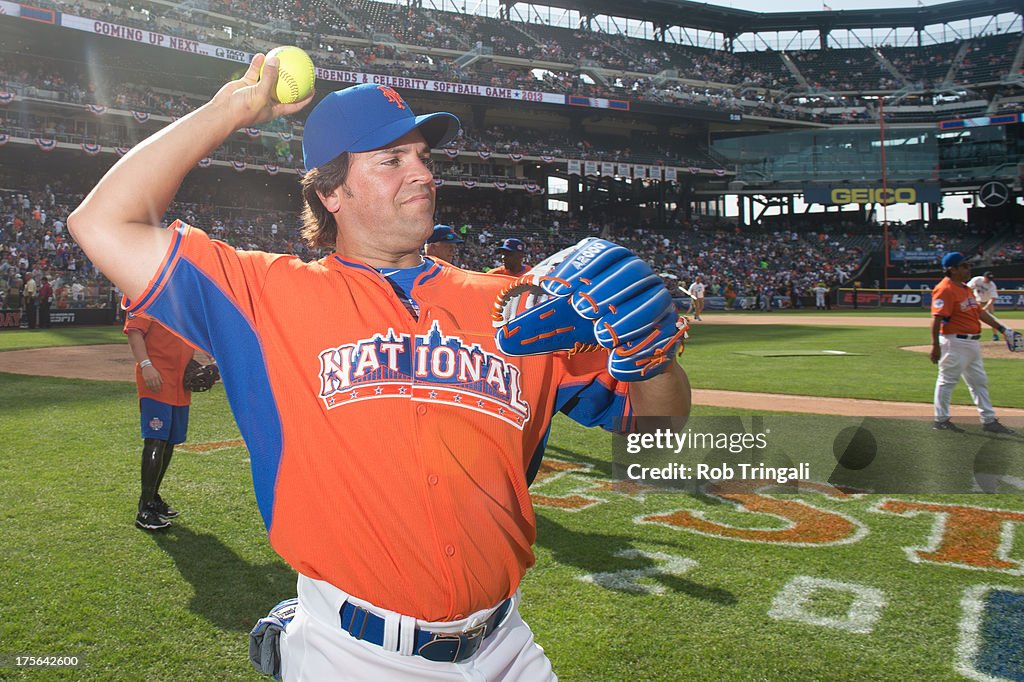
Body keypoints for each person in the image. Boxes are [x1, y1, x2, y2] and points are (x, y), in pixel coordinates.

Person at [68, 59, 690, 681]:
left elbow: (656, 436)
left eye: (422, 156)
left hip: (508, 650)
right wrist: (231, 109)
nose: (422, 173)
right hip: (354, 656)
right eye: (390, 160)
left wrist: (652, 358)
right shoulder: (262, 295)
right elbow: (100, 222)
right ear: (331, 192)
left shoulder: (517, 304)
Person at [125, 313, 197, 530]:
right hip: (156, 379)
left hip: (179, 382)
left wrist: (208, 362)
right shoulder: (147, 294)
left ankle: (153, 497)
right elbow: (135, 332)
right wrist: (146, 365)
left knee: (169, 442)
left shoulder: (181, 301)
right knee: (155, 440)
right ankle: (144, 509)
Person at [930, 252, 1014, 434]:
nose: (968, 269)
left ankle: (989, 420)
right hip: (954, 342)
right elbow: (936, 319)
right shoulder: (945, 289)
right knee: (947, 381)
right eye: (964, 265)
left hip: (972, 343)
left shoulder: (965, 288)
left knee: (979, 382)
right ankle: (941, 419)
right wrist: (935, 346)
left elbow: (979, 312)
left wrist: (1003, 329)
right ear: (952, 269)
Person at [966, 271, 1000, 341]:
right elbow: (967, 288)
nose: (988, 280)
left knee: (992, 318)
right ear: (984, 277)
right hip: (977, 301)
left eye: (990, 279)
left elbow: (993, 298)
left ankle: (995, 335)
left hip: (988, 302)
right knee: (973, 318)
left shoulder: (991, 285)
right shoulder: (977, 280)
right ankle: (973, 333)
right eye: (987, 278)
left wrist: (986, 308)